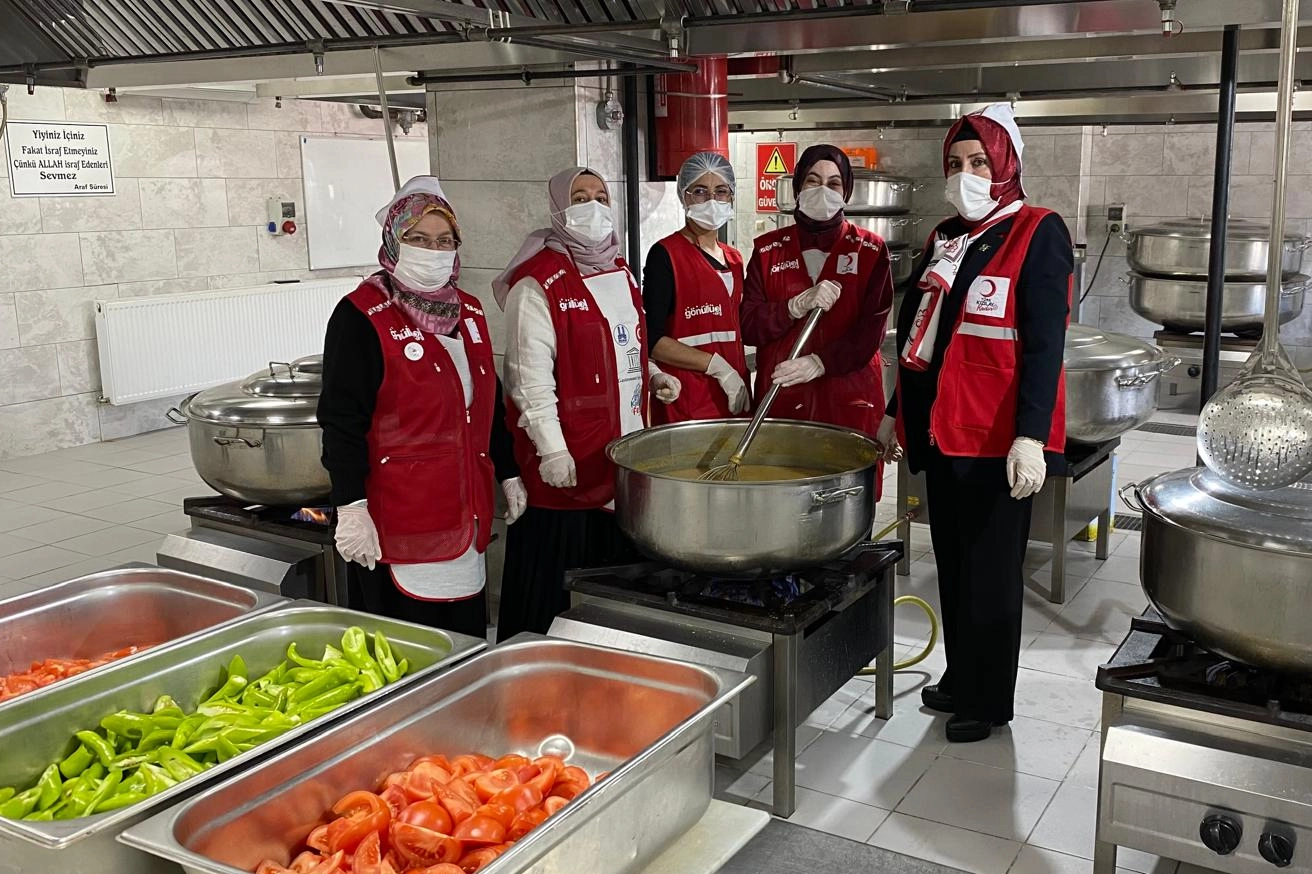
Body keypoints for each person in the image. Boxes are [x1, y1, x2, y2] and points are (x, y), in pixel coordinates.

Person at [880, 104, 1072, 743]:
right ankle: (962, 676)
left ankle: (988, 701)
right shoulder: (945, 236)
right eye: (957, 163)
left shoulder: (1037, 232)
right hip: (942, 435)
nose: (966, 174)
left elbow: (1045, 345)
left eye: (981, 162)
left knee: (991, 576)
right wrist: (894, 412)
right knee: (956, 565)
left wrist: (1031, 436)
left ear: (1008, 165)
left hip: (995, 441)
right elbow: (922, 337)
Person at [318, 176, 525, 640]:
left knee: (464, 642)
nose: (434, 250)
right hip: (400, 520)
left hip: (464, 513)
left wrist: (508, 470)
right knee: (407, 649)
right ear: (394, 241)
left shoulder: (469, 311)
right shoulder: (360, 315)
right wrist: (350, 506)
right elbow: (341, 422)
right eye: (418, 239)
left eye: (444, 240)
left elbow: (487, 402)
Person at [493, 167, 680, 641]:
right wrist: (552, 448)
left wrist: (653, 376)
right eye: (580, 197)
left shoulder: (620, 272)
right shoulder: (537, 284)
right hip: (567, 467)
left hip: (621, 457)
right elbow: (528, 378)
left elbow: (627, 347)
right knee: (554, 591)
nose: (593, 207)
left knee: (608, 597)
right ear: (559, 209)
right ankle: (536, 665)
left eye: (601, 196)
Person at [740, 145, 895, 489]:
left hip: (848, 399)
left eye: (833, 183)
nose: (823, 190)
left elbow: (870, 333)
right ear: (797, 187)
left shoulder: (870, 250)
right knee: (781, 495)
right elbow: (749, 326)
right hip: (782, 400)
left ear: (846, 192)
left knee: (847, 500)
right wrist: (792, 307)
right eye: (812, 180)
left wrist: (820, 362)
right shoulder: (767, 250)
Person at [641, 151, 750, 422]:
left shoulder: (734, 259)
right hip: (687, 400)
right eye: (700, 191)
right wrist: (718, 367)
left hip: (733, 396)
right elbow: (652, 340)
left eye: (721, 191)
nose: (711, 200)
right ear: (684, 196)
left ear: (731, 196)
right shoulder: (666, 255)